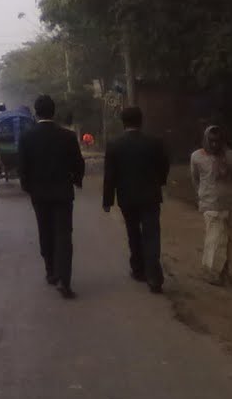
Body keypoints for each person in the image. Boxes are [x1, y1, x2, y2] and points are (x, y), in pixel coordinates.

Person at [19, 94, 86, 299]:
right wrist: (77, 180)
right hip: (63, 192)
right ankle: (65, 280)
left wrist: (28, 187)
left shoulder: (27, 137)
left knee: (45, 230)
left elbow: (23, 168)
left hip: (39, 194)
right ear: (53, 111)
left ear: (36, 112)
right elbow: (78, 163)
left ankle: (51, 271)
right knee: (64, 235)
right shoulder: (67, 136)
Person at [102, 106, 171, 293]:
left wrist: (107, 200)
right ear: (141, 121)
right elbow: (164, 165)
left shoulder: (115, 144)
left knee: (133, 233)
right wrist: (160, 182)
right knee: (151, 234)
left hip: (127, 197)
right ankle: (154, 276)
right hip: (150, 196)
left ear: (123, 123)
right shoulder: (154, 142)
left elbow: (110, 175)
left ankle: (138, 269)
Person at [190, 126, 232, 285]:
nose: (213, 144)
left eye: (217, 141)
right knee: (214, 237)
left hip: (228, 203)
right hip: (210, 203)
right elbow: (195, 178)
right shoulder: (197, 157)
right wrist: (201, 195)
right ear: (205, 139)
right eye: (210, 140)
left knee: (229, 240)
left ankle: (225, 271)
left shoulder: (230, 155)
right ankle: (210, 271)